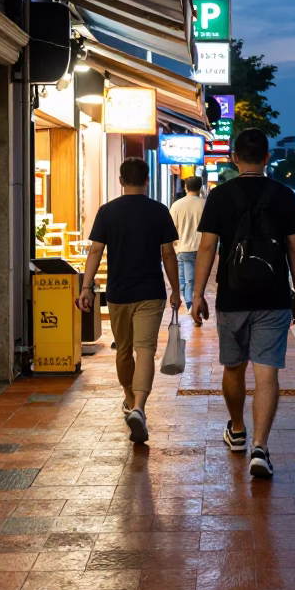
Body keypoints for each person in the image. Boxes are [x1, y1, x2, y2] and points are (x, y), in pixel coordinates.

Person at [191, 129, 295, 479]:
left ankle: (238, 430)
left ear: (234, 158)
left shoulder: (220, 196)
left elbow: (207, 248)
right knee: (267, 370)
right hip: (273, 296)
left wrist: (198, 294)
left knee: (233, 366)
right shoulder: (284, 195)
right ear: (268, 158)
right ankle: (260, 446)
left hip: (232, 295)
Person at [76, 157, 180, 444]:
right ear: (147, 180)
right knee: (145, 349)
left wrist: (86, 287)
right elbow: (168, 254)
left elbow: (96, 251)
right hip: (150, 292)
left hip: (118, 292)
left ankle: (128, 396)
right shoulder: (159, 211)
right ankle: (139, 408)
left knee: (123, 349)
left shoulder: (107, 212)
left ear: (121, 181)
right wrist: (176, 289)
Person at [170, 176, 205, 322]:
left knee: (185, 280)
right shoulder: (205, 204)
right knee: (190, 280)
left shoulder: (177, 205)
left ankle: (191, 305)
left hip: (181, 248)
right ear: (200, 187)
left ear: (186, 187)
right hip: (201, 248)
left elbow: (171, 229)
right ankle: (191, 305)